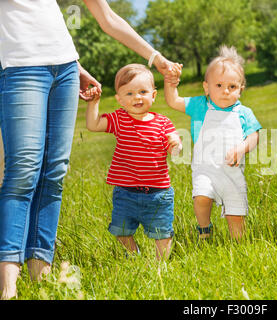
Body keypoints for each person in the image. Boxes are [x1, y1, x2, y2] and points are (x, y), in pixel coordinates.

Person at [0, 0, 180, 300]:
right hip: (20, 68)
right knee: (23, 170)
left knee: (54, 172)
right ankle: (8, 284)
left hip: (66, 69)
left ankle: (41, 272)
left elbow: (107, 17)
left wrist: (155, 58)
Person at [85, 64, 182, 261]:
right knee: (120, 230)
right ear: (119, 99)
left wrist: (176, 144)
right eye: (129, 93)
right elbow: (93, 125)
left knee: (162, 233)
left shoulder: (163, 123)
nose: (137, 97)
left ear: (153, 95)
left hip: (157, 193)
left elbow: (175, 150)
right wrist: (93, 102)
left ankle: (159, 265)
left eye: (143, 92)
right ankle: (134, 257)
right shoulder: (119, 119)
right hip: (125, 192)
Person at [164, 46, 261, 240]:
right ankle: (204, 230)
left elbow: (254, 136)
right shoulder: (200, 105)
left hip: (232, 173)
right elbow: (173, 101)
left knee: (236, 216)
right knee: (201, 197)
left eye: (232, 87)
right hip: (205, 170)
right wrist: (171, 83)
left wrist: (241, 148)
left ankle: (239, 244)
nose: (225, 91)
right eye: (219, 86)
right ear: (206, 87)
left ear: (241, 89)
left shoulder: (244, 113)